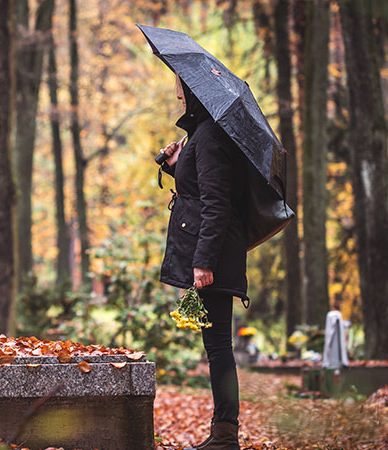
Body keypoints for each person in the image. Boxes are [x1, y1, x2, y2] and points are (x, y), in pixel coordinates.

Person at [157, 75, 249, 450]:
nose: (178, 93)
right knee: (216, 347)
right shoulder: (202, 136)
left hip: (214, 256)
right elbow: (195, 189)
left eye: (181, 87)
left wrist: (204, 262)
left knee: (218, 348)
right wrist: (171, 162)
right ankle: (224, 432)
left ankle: (226, 434)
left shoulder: (210, 136)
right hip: (212, 253)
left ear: (195, 92)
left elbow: (217, 203)